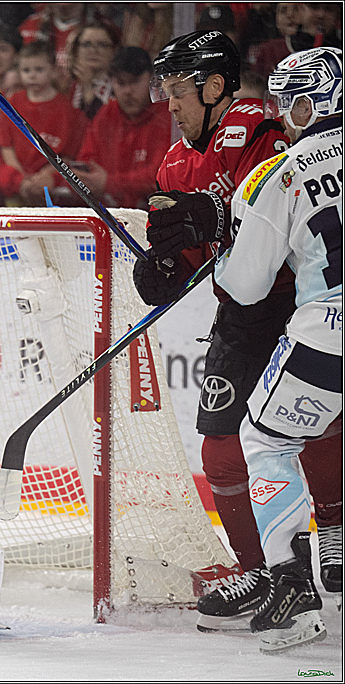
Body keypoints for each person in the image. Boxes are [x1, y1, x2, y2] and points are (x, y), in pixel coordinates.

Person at [133, 30, 342, 632]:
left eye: (178, 90)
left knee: (315, 424)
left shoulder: (259, 129)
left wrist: (212, 216)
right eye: (165, 91)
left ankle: (328, 540)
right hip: (244, 316)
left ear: (215, 85)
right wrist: (165, 264)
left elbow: (268, 212)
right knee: (221, 439)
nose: (169, 105)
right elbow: (195, 251)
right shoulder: (174, 161)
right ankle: (258, 571)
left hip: (292, 303)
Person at [212, 46, 342, 653]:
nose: (288, 114)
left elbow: (246, 286)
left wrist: (223, 248)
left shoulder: (282, 171)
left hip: (329, 327)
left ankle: (292, 585)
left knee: (264, 440)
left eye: (293, 102)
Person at [0, 41, 87, 206]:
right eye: (26, 70)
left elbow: (68, 156)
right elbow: (6, 146)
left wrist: (47, 177)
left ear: (54, 71)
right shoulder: (12, 103)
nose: (32, 75)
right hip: (15, 187)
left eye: (39, 69)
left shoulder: (67, 110)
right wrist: (21, 180)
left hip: (52, 190)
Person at [75, 47, 170, 210]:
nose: (127, 91)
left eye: (134, 82)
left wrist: (109, 183)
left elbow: (160, 177)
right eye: (121, 83)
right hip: (108, 215)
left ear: (152, 80)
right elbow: (86, 161)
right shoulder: (106, 114)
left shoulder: (167, 115)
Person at [67, 23, 119, 120]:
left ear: (114, 50)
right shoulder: (65, 86)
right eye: (86, 44)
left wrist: (88, 89)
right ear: (76, 50)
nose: (93, 50)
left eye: (102, 45)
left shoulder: (120, 87)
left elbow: (107, 125)